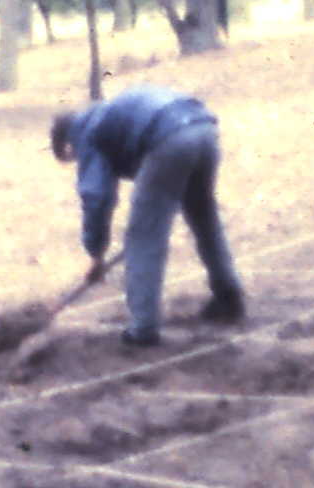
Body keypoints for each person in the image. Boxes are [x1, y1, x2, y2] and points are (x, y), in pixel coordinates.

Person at [50, 85, 246, 349]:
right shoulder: (106, 117)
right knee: (204, 219)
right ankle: (229, 297)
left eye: (71, 156)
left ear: (66, 142)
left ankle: (143, 329)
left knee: (142, 236)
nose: (77, 160)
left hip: (169, 138)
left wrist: (95, 252)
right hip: (203, 130)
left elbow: (97, 196)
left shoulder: (87, 133)